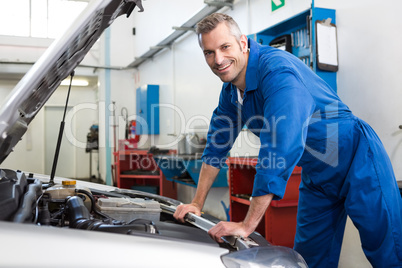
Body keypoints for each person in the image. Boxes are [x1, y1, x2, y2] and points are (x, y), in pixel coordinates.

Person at [173, 13, 402, 267]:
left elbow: (280, 146)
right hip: (317, 173)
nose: (218, 59)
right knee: (310, 258)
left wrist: (247, 225)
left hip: (358, 157)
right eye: (209, 52)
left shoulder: (277, 73)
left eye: (225, 47)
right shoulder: (231, 93)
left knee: (387, 251)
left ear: (243, 43)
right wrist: (196, 203)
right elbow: (216, 146)